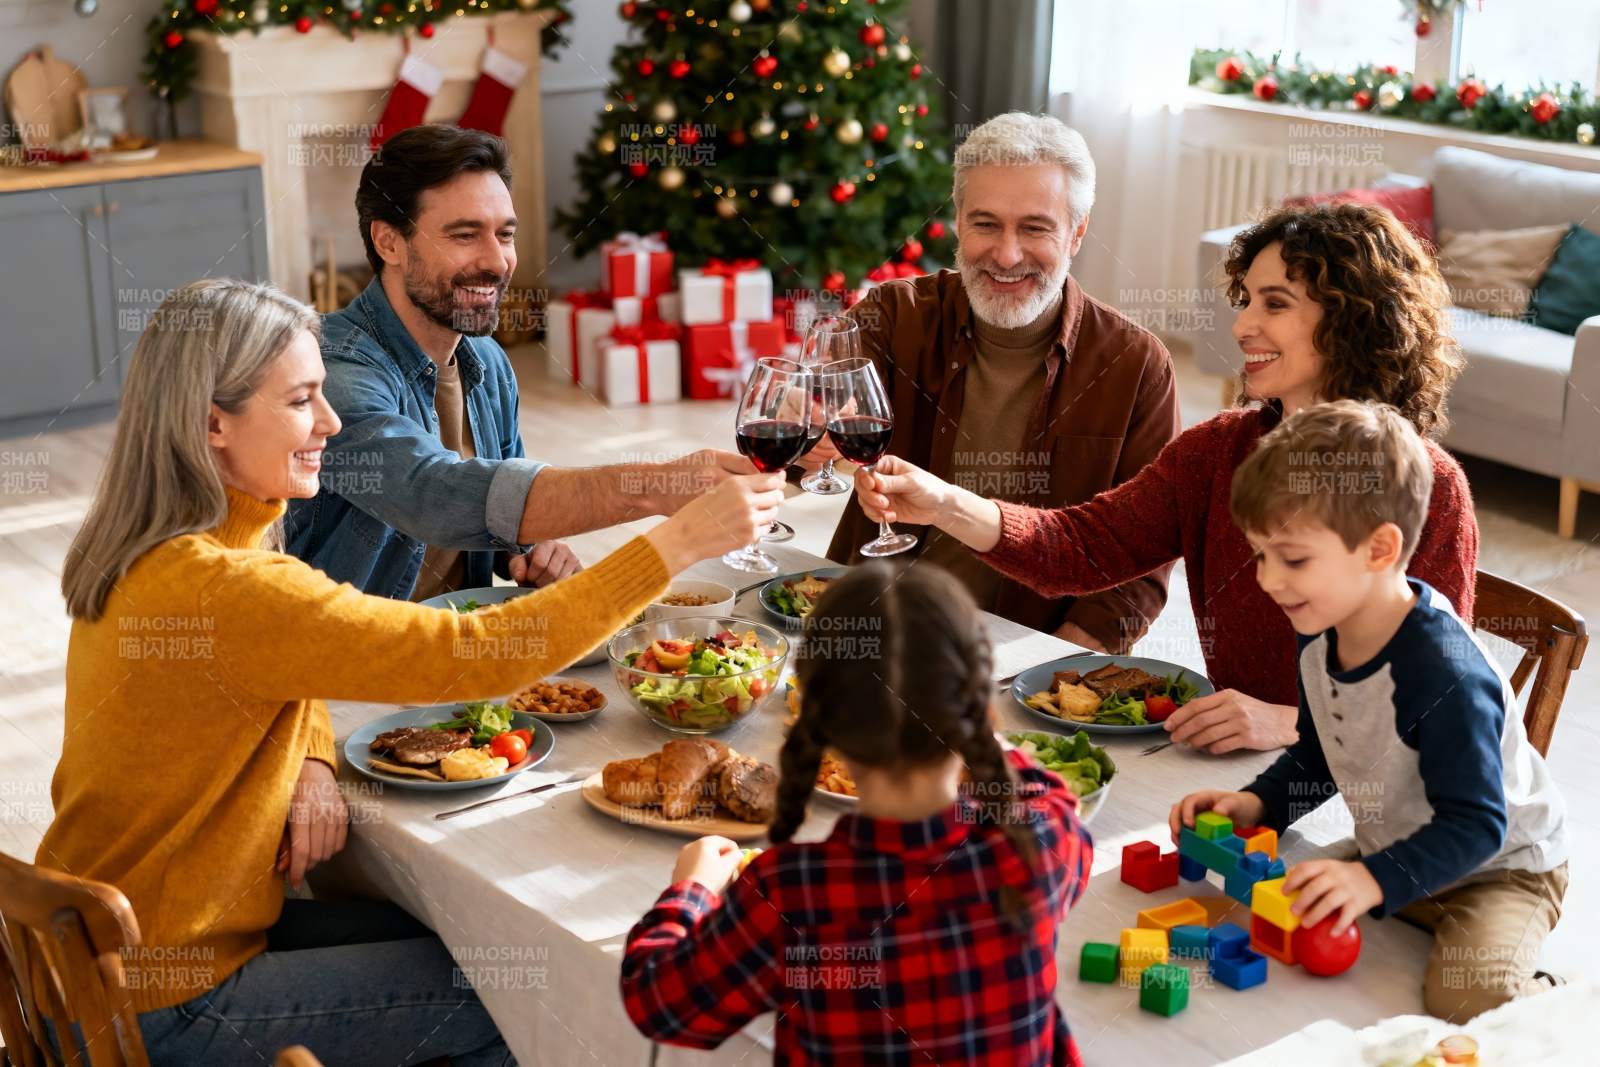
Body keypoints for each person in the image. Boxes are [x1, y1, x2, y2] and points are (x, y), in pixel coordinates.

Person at [43, 279, 782, 1065]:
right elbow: (475, 651)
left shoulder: (172, 548)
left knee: (467, 934)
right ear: (211, 423)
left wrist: (315, 759)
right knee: (522, 988)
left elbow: (283, 661)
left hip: (92, 967)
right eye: (300, 401)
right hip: (164, 1006)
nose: (329, 423)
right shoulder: (228, 586)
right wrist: (670, 546)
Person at [851, 201, 1480, 754]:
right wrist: (942, 503)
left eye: (1276, 304)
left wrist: (1292, 723)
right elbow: (1083, 548)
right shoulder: (1219, 451)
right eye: (1246, 301)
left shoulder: (1431, 486)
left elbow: (1436, 705)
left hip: (1366, 791)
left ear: (1351, 320)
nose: (1241, 326)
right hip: (1237, 761)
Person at [1170, 400, 1567, 1022]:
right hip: (1399, 842)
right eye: (1260, 556)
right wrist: (1258, 804)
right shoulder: (1320, 627)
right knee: (1259, 906)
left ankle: (1545, 1001)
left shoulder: (1444, 675)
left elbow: (1477, 824)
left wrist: (1372, 879)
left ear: (1380, 549)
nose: (1269, 581)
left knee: (1469, 1002)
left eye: (1293, 559)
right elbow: (1323, 749)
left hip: (1499, 868)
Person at [619, 563, 1094, 1066]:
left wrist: (690, 890)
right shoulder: (1043, 839)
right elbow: (1046, 794)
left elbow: (661, 1005)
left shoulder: (791, 892)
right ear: (978, 705)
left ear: (821, 724)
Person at [286, 124, 752, 601]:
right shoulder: (330, 371)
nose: (497, 261)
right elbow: (432, 494)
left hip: (460, 639)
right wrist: (653, 486)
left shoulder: (486, 361)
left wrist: (527, 549)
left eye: (505, 235)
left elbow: (495, 500)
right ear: (389, 243)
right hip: (353, 657)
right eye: (465, 235)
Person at [800, 111, 1180, 653]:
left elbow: (1144, 557)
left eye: (1034, 227)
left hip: (1015, 650)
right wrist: (806, 439)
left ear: (1077, 231)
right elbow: (807, 452)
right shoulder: (894, 315)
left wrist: (1047, 674)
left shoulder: (1137, 366)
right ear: (957, 218)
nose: (1006, 255)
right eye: (985, 223)